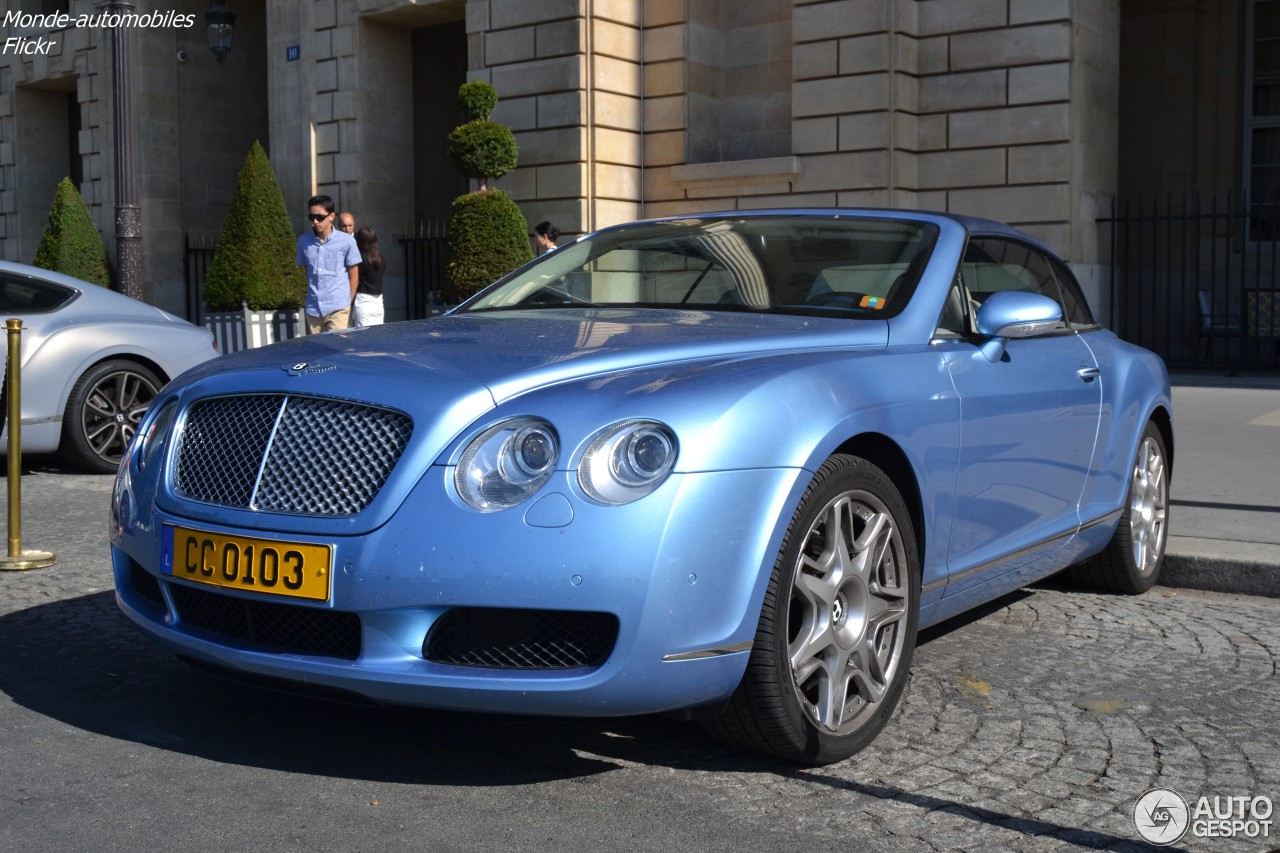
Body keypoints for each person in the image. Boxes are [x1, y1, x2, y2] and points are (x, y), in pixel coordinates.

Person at [296, 194, 361, 333]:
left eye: (319, 217)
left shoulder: (347, 241)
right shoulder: (303, 241)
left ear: (331, 216)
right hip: (313, 310)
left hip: (338, 308)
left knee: (339, 351)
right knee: (318, 353)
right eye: (311, 217)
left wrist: (346, 303)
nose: (315, 221)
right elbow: (303, 273)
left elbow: (354, 276)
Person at [352, 226, 385, 327]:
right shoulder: (381, 257)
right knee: (377, 336)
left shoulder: (360, 258)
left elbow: (355, 280)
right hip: (378, 301)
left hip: (363, 301)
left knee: (363, 337)